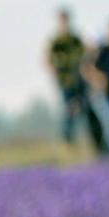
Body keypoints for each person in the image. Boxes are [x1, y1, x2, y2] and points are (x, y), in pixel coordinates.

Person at [45, 8, 105, 154]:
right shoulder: (55, 41)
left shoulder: (76, 39)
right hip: (65, 82)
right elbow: (47, 59)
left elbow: (86, 57)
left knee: (86, 112)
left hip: (80, 82)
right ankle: (68, 142)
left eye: (66, 20)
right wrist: (56, 74)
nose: (64, 23)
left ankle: (96, 145)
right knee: (69, 112)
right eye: (62, 20)